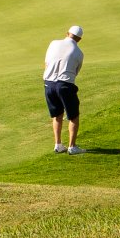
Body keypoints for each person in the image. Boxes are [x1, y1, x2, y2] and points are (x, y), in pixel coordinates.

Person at [42, 26, 87, 154]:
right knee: (73, 116)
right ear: (79, 39)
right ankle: (72, 147)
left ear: (67, 33)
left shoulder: (53, 43)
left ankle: (58, 145)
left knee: (57, 115)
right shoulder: (79, 53)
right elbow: (76, 72)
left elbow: (46, 64)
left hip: (48, 84)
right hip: (65, 85)